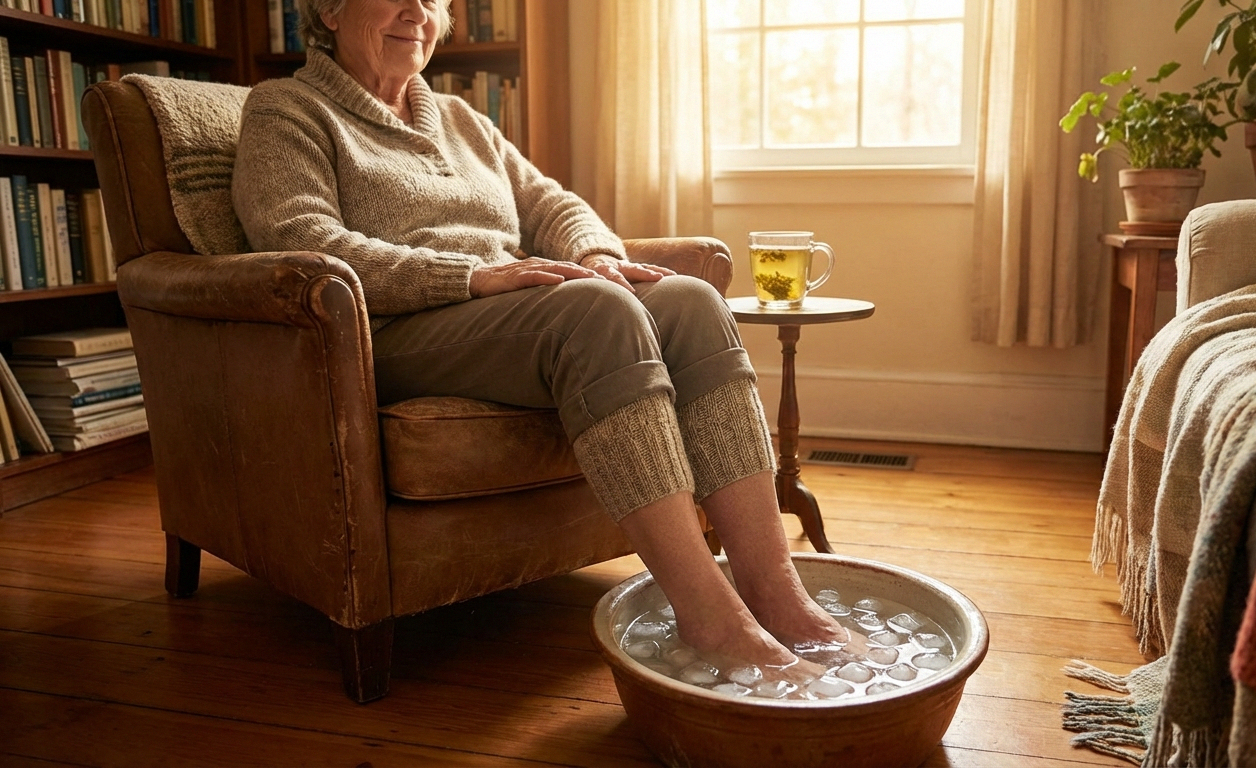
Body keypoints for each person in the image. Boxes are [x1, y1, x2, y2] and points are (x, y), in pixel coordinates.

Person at [231, 0, 850, 674]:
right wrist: (470, 277)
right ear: (328, 8)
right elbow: (300, 241)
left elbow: (553, 204)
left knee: (692, 301)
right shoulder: (285, 109)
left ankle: (777, 594)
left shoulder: (462, 119)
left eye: (433, 0)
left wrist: (595, 255)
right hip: (386, 333)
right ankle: (709, 617)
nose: (418, 11)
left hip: (501, 317)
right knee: (595, 314)